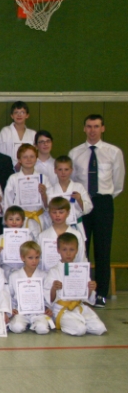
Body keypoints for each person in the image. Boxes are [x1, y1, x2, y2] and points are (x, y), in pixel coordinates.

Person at [69, 114, 125, 307]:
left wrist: (103, 199)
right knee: (80, 247)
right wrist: (84, 200)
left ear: (103, 128)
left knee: (103, 249)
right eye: (89, 126)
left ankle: (101, 293)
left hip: (103, 203)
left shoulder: (113, 152)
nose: (92, 130)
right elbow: (72, 182)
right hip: (82, 203)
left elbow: (118, 183)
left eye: (96, 126)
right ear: (84, 128)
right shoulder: (75, 153)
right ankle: (80, 291)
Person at [45, 233, 106, 335]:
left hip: (79, 307)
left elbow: (87, 298)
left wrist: (90, 288)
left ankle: (80, 322)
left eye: (72, 249)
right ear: (58, 250)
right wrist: (53, 289)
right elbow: (49, 300)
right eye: (64, 250)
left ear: (77, 250)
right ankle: (75, 324)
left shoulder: (81, 270)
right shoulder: (54, 271)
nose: (68, 253)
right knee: (80, 330)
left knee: (100, 329)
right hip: (62, 310)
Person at [7, 241, 53, 335]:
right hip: (21, 311)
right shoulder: (14, 276)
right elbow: (10, 295)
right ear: (22, 258)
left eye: (37, 257)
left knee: (42, 329)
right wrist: (11, 308)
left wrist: (47, 307)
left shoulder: (44, 275)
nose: (34, 261)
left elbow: (47, 295)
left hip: (38, 312)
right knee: (17, 327)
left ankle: (36, 324)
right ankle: (24, 323)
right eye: (30, 258)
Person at [43, 156, 92, 240]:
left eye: (66, 169)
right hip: (56, 227)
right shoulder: (50, 191)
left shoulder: (79, 187)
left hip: (75, 226)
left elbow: (88, 208)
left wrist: (79, 200)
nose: (63, 173)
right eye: (60, 169)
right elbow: (47, 210)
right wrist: (43, 195)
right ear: (55, 170)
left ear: (71, 170)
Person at [3, 144, 48, 230]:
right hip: (19, 221)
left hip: (39, 218)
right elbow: (8, 202)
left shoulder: (43, 178)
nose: (29, 159)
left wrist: (44, 194)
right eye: (25, 157)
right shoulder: (13, 179)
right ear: (19, 160)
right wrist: (9, 223)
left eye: (32, 156)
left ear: (36, 158)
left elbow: (49, 205)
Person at [38, 197, 87, 270]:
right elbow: (39, 260)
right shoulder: (42, 236)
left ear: (68, 213)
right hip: (48, 274)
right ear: (49, 213)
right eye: (54, 212)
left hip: (72, 274)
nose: (57, 215)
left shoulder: (77, 235)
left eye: (61, 212)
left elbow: (81, 259)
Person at [0, 206, 40, 280]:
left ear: (22, 222)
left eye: (17, 219)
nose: (14, 222)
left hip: (23, 270)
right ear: (5, 221)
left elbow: (33, 255)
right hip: (4, 271)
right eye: (11, 219)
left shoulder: (28, 238)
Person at [0, 101, 36, 170]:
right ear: (12, 116)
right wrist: (15, 164)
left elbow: (36, 154)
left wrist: (23, 163)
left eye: (22, 112)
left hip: (28, 170)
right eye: (16, 112)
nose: (19, 115)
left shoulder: (33, 134)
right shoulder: (5, 132)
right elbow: (0, 153)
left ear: (27, 115)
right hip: (8, 169)